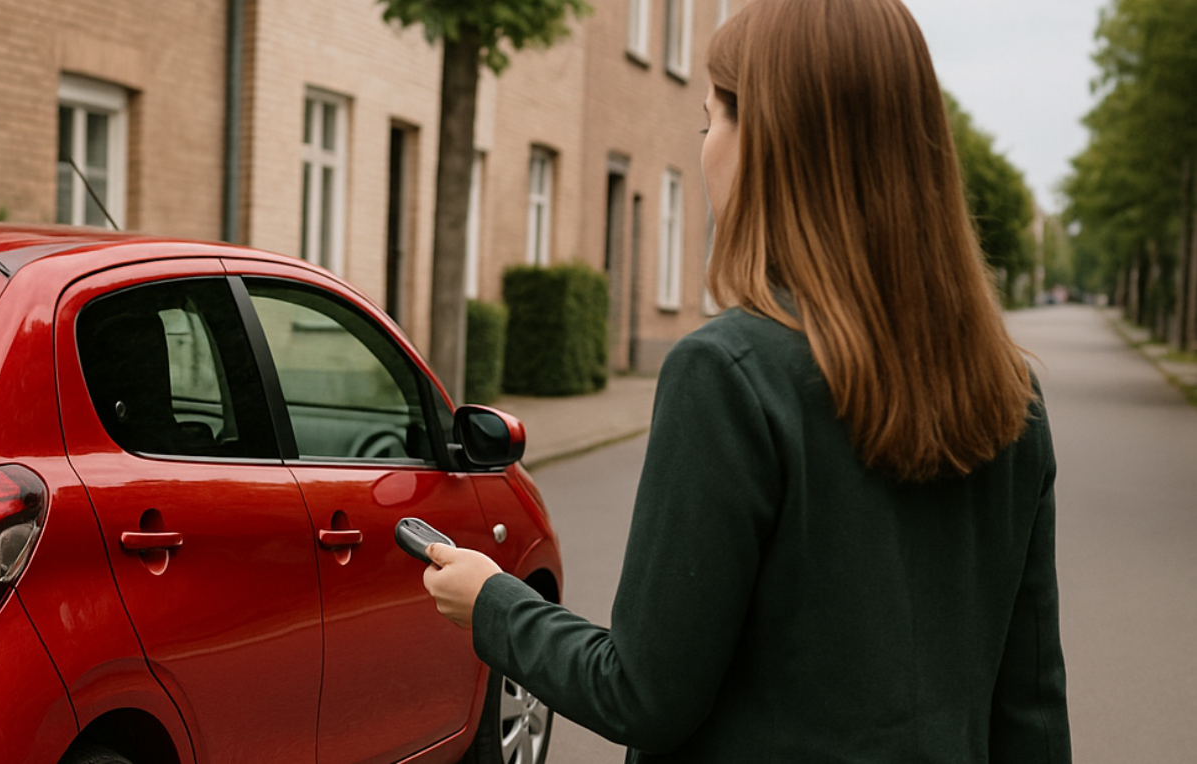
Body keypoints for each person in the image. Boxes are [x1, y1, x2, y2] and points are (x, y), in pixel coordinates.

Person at [420, 0, 1071, 761]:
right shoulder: (1008, 397)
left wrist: (494, 604)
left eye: (710, 122)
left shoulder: (728, 377)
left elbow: (643, 693)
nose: (705, 150)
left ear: (767, 143)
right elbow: (1030, 712)